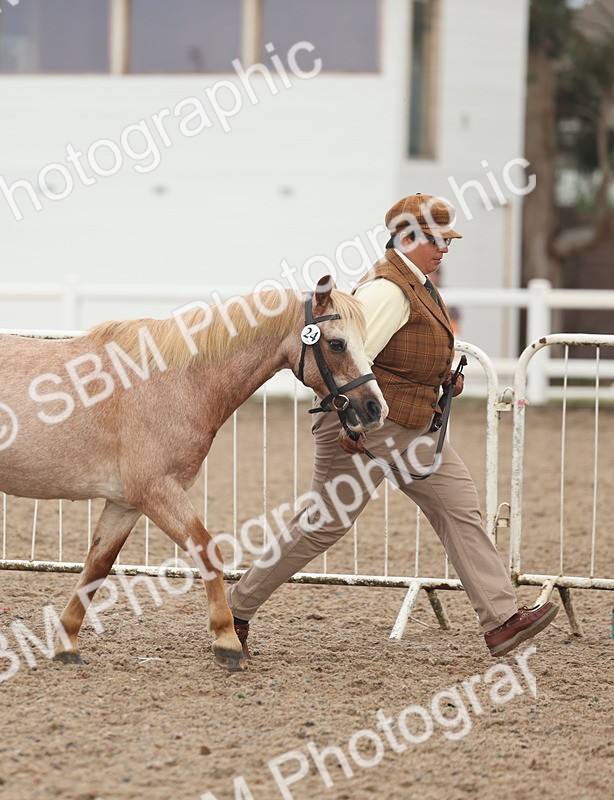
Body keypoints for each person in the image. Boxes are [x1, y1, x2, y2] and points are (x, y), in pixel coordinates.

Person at [228, 193, 557, 659]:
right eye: (436, 240)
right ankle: (235, 610)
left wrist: (441, 377)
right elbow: (351, 361)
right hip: (367, 426)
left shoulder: (416, 284)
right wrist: (351, 425)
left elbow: (401, 355)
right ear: (405, 238)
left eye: (448, 241)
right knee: (324, 524)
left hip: (412, 424)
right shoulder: (387, 291)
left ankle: (501, 621)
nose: (444, 248)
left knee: (459, 507)